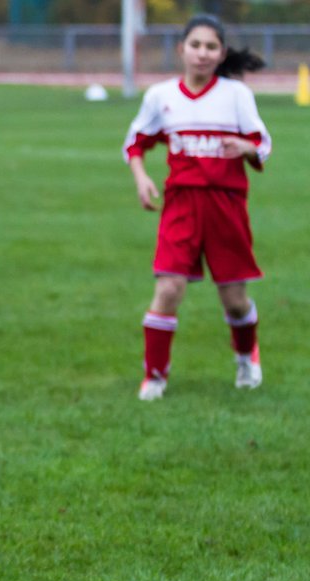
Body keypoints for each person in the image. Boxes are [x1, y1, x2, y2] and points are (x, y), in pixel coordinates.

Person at [123, 14, 272, 402]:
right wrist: (142, 178)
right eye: (195, 45)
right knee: (169, 289)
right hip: (181, 206)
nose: (202, 54)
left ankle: (246, 357)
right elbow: (134, 143)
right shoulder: (161, 96)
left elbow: (263, 143)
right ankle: (154, 376)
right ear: (181, 49)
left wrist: (246, 147)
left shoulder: (236, 96)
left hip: (226, 206)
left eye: (211, 47)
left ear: (222, 54)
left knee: (235, 302)